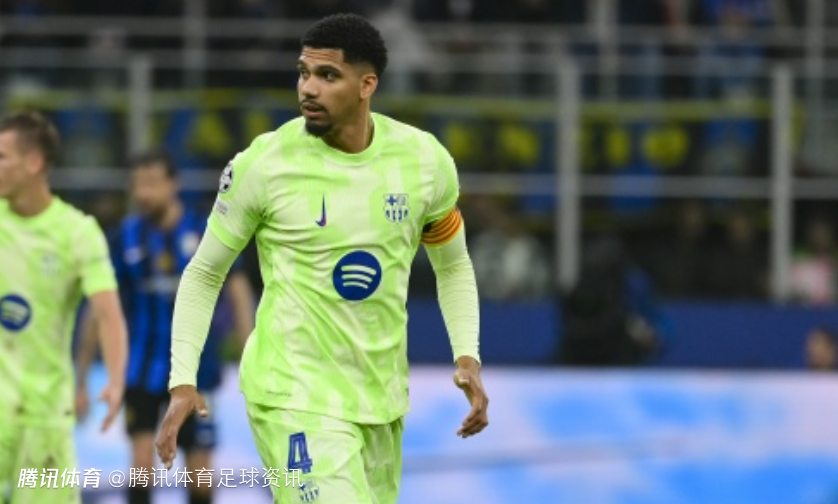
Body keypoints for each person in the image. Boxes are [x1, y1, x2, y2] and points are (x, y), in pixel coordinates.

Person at [155, 13, 488, 504]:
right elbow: (205, 273)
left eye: (328, 75)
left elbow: (453, 265)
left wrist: (467, 356)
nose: (308, 88)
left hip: (380, 400)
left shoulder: (424, 162)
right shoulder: (263, 165)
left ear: (367, 85)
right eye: (303, 72)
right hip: (293, 395)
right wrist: (182, 379)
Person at [78, 150, 256, 504]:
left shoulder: (205, 231)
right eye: (138, 185)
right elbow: (101, 305)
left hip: (197, 371)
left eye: (152, 183)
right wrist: (82, 376)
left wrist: (248, 347)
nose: (144, 193)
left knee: (200, 478)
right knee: (141, 469)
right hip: (140, 369)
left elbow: (237, 288)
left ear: (173, 184)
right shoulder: (124, 237)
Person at [0, 111, 128, 504]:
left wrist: (115, 381)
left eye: (2, 156)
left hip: (45, 416)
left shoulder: (77, 233)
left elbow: (107, 314)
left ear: (34, 162)